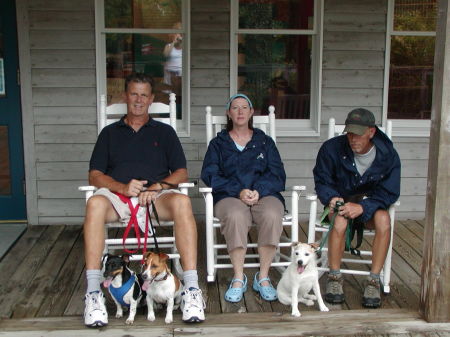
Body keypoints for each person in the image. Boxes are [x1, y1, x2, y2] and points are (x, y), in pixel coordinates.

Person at [83, 73, 205, 327]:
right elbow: (94, 175)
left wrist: (157, 186)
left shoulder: (165, 131)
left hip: (156, 196)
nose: (138, 100)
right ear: (126, 96)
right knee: (94, 203)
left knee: (182, 202)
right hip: (117, 197)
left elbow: (182, 172)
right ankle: (93, 293)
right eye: (134, 94)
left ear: (151, 99)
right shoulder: (109, 133)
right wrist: (122, 187)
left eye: (144, 95)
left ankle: (192, 290)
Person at [201, 93, 286, 303]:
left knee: (272, 214)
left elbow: (277, 174)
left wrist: (259, 189)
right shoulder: (218, 143)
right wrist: (238, 190)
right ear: (229, 113)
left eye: (244, 107)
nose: (240, 111)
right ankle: (239, 278)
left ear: (251, 112)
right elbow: (210, 175)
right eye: (235, 107)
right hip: (229, 195)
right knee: (235, 215)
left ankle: (263, 277)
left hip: (263, 194)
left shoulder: (264, 142)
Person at [313, 108, 401, 308]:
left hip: (370, 205)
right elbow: (322, 180)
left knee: (384, 220)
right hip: (341, 203)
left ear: (371, 132)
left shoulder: (388, 155)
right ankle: (334, 277)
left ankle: (373, 280)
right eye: (350, 133)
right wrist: (332, 198)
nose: (353, 139)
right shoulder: (330, 149)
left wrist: (363, 206)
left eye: (358, 134)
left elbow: (390, 192)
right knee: (340, 220)